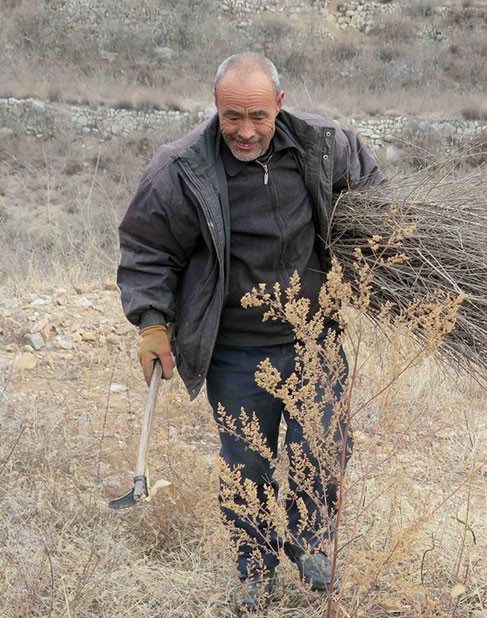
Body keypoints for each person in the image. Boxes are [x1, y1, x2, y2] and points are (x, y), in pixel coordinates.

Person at [117, 52, 384, 613]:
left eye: (258, 116)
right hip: (236, 348)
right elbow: (148, 250)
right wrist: (151, 323)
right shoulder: (182, 167)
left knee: (324, 449)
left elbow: (377, 204)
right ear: (215, 107)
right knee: (247, 463)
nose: (245, 130)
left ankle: (311, 544)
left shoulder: (327, 144)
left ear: (279, 105)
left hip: (315, 336)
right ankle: (254, 571)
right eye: (232, 116)